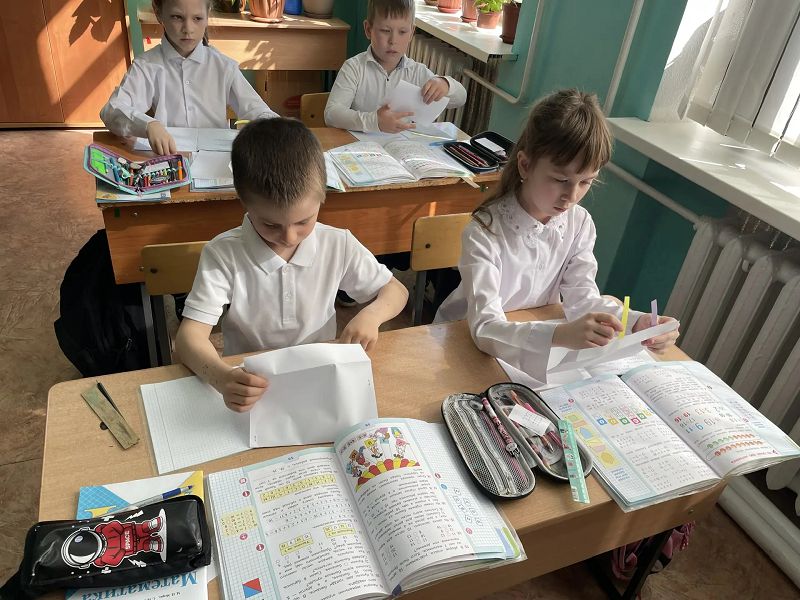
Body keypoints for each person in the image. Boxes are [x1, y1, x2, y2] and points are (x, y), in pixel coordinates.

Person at [434, 89, 679, 382]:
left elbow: (582, 298)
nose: (571, 196)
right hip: (461, 343)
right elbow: (484, 327)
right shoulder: (485, 230)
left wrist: (638, 323)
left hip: (532, 340)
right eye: (561, 179)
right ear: (525, 165)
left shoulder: (579, 223)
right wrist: (559, 334)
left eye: (586, 182)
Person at [175, 118, 409, 412]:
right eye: (271, 224)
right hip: (254, 382)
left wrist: (372, 315)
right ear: (244, 201)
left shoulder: (337, 244)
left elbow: (395, 291)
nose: (289, 237)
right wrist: (222, 378)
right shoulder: (223, 254)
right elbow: (189, 338)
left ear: (322, 197)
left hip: (318, 376)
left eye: (303, 221)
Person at [100, 0, 278, 154]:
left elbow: (257, 110)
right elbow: (112, 110)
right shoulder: (147, 66)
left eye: (197, 18)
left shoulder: (223, 67)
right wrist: (148, 125)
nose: (188, 29)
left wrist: (278, 129)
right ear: (158, 13)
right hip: (169, 159)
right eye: (177, 17)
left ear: (207, 15)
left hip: (216, 161)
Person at [324, 0, 467, 133]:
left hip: (400, 147)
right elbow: (331, 114)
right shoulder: (354, 68)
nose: (393, 41)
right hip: (360, 146)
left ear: (411, 33)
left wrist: (445, 84)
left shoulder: (416, 72)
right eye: (385, 31)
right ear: (368, 29)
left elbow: (461, 98)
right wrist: (375, 121)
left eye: (402, 32)